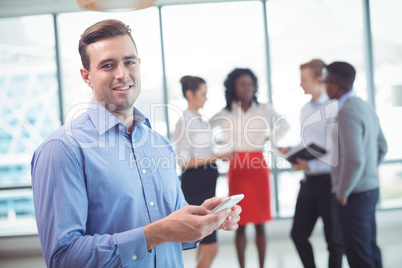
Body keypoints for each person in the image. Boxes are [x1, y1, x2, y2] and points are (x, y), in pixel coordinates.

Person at [30, 19, 241, 268]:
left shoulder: (159, 143)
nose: (122, 74)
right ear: (86, 77)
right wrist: (156, 233)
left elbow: (175, 233)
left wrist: (202, 218)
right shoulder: (62, 150)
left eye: (129, 62)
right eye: (108, 65)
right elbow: (63, 258)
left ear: (139, 65)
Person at [211, 68, 290, 268]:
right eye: (242, 84)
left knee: (260, 223)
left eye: (250, 84)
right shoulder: (224, 113)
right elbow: (205, 132)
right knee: (240, 222)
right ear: (233, 87)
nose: (248, 88)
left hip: (258, 165)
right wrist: (221, 150)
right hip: (237, 167)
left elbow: (284, 126)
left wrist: (268, 138)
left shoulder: (263, 109)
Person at [279, 59, 344, 268]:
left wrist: (309, 166)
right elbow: (308, 145)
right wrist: (291, 150)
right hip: (309, 182)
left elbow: (334, 151)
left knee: (334, 239)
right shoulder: (306, 109)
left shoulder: (333, 108)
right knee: (298, 234)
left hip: (329, 182)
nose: (301, 85)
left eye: (304, 80)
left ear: (319, 80)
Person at [324, 61, 388, 268]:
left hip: (353, 195)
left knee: (358, 256)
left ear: (335, 84)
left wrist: (343, 192)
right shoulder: (364, 105)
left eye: (326, 81)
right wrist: (367, 174)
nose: (324, 86)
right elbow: (382, 147)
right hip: (369, 190)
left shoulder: (346, 111)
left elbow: (354, 159)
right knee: (369, 248)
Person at [172, 75, 231, 268]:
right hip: (195, 186)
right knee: (210, 246)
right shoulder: (184, 122)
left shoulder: (200, 120)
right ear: (190, 94)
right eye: (203, 94)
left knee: (204, 245)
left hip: (206, 183)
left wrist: (219, 153)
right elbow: (182, 162)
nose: (206, 98)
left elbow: (204, 151)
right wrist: (215, 157)